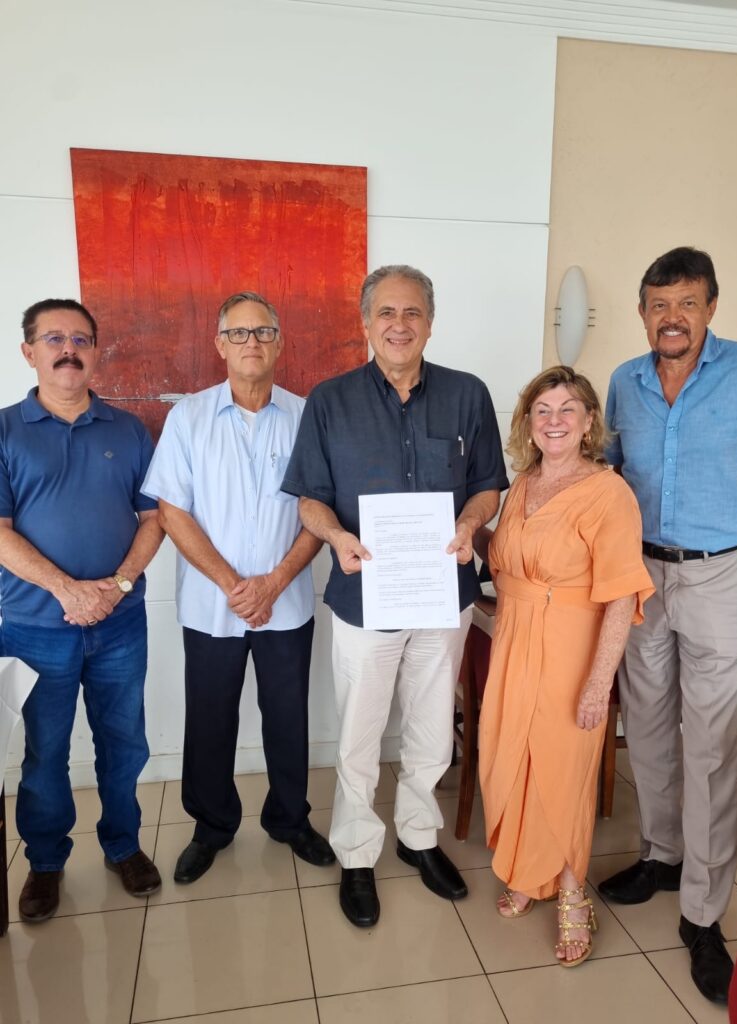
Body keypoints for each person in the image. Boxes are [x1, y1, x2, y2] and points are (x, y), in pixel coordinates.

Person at [281, 264, 508, 927]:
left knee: (432, 727)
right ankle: (356, 853)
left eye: (412, 313)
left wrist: (469, 523)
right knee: (359, 733)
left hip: (444, 595)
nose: (399, 325)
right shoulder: (330, 401)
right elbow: (310, 498)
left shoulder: (468, 394)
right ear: (365, 323)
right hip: (364, 597)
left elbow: (488, 485)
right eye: (386, 312)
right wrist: (336, 537)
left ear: (430, 323)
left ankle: (417, 837)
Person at [598, 247, 737, 1003]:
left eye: (688, 303)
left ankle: (702, 914)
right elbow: (607, 474)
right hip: (641, 576)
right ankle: (661, 855)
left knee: (709, 747)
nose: (673, 318)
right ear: (643, 313)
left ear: (711, 308)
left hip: (722, 574)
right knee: (648, 729)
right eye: (660, 305)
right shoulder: (624, 382)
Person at [141, 291, 334, 884]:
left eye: (263, 332)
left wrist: (274, 582)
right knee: (210, 719)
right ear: (220, 345)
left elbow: (320, 509)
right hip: (211, 606)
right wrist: (234, 585)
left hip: (287, 602)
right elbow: (172, 512)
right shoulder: (189, 417)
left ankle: (290, 819)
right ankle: (212, 826)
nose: (252, 342)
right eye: (239, 333)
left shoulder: (308, 416)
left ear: (279, 342)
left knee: (287, 716)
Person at [476, 365, 653, 967]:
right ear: (528, 421)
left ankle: (573, 892)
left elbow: (622, 595)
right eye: (543, 410)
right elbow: (504, 559)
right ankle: (530, 870)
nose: (554, 421)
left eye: (567, 409)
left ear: (588, 422)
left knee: (563, 767)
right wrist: (460, 532)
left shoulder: (608, 492)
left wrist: (599, 682)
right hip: (513, 639)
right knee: (513, 757)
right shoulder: (523, 484)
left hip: (572, 645)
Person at [0, 298, 164, 923]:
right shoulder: (4, 430)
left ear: (96, 352)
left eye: (81, 339)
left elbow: (153, 519)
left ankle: (122, 845)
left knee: (124, 743)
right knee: (46, 752)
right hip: (34, 627)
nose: (68, 350)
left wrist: (115, 587)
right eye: (54, 338)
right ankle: (45, 862)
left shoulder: (128, 430)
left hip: (120, 624)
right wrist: (69, 590)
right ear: (28, 352)